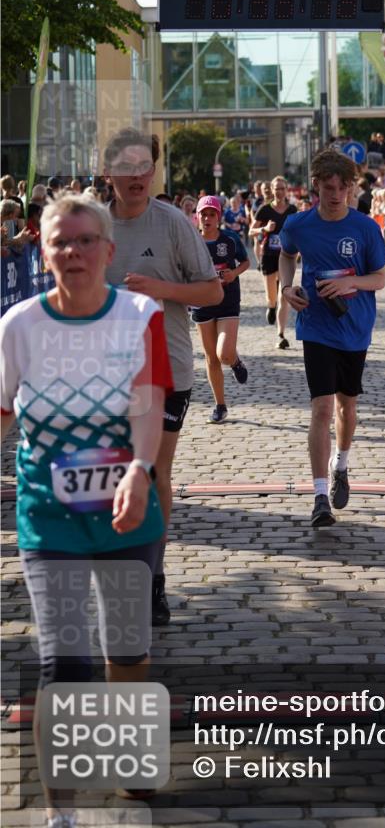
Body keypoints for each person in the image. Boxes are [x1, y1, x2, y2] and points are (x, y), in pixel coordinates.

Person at [0, 194, 172, 823]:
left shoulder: (140, 315)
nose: (72, 252)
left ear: (107, 249)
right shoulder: (18, 325)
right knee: (65, 662)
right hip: (49, 515)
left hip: (128, 508)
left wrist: (139, 470)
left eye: (84, 240)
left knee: (125, 650)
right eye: (59, 242)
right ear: (42, 252)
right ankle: (61, 812)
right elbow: (2, 410)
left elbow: (148, 403)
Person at [104, 128, 222, 626]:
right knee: (112, 476)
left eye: (144, 168)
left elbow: (213, 292)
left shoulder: (172, 222)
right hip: (105, 375)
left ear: (153, 172)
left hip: (166, 371)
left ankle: (152, 577)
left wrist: (160, 289)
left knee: (152, 473)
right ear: (109, 172)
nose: (137, 176)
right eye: (126, 167)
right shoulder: (93, 225)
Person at [279, 149, 385, 528]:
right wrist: (287, 287)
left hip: (355, 328)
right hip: (316, 325)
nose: (337, 195)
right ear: (316, 186)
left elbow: (380, 278)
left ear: (351, 188)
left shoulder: (365, 227)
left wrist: (350, 282)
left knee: (347, 407)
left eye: (344, 188)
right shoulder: (299, 224)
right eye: (329, 188)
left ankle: (340, 465)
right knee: (321, 409)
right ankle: (319, 497)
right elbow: (286, 255)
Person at [192, 195, 250, 423]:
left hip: (228, 300)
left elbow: (245, 262)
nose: (207, 219)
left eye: (211, 214)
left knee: (224, 353)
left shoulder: (230, 239)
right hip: (202, 302)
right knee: (211, 358)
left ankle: (234, 362)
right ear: (197, 217)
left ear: (218, 217)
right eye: (203, 214)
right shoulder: (191, 241)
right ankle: (220, 405)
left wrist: (233, 273)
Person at [250, 176, 297, 349]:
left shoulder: (292, 210)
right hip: (269, 255)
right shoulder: (264, 209)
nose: (279, 192)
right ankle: (270, 306)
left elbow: (298, 231)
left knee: (284, 295)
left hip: (287, 256)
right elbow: (251, 231)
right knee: (272, 297)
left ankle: (281, 334)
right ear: (272, 190)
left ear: (287, 190)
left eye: (282, 188)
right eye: (277, 188)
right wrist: (264, 228)